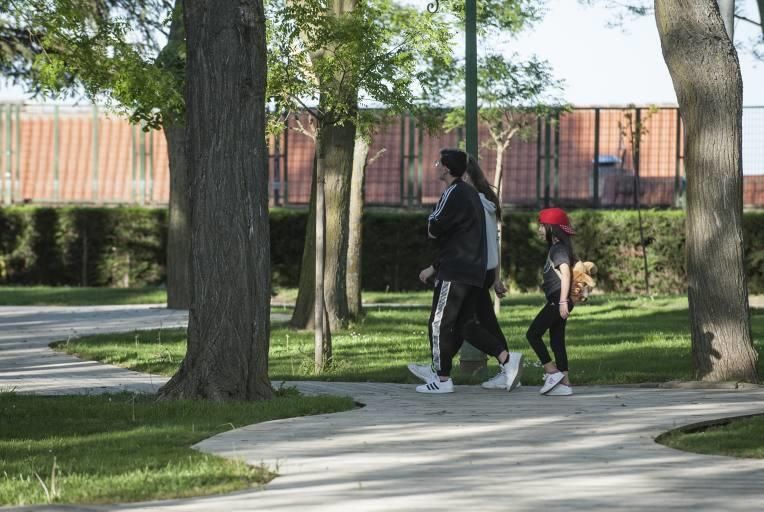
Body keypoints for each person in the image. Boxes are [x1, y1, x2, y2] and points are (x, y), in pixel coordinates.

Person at [412, 149, 519, 394]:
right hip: (474, 271)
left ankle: (441, 379)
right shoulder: (472, 195)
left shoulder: (453, 193)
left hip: (456, 271)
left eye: (438, 162)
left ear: (447, 169)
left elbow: (434, 227)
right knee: (462, 325)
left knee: (438, 322)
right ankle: (506, 358)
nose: (435, 164)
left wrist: (437, 257)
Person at [526, 207, 577, 396]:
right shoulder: (556, 248)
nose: (539, 230)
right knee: (557, 340)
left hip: (558, 299)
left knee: (533, 334)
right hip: (559, 299)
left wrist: (563, 301)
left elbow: (565, 273)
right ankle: (565, 383)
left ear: (552, 228)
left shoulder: (558, 249)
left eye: (542, 226)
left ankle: (551, 370)